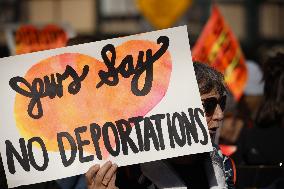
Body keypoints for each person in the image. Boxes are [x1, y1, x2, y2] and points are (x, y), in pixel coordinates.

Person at [85, 62, 236, 189]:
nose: (220, 115)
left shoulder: (225, 166)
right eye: (207, 105)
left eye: (221, 103)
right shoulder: (127, 172)